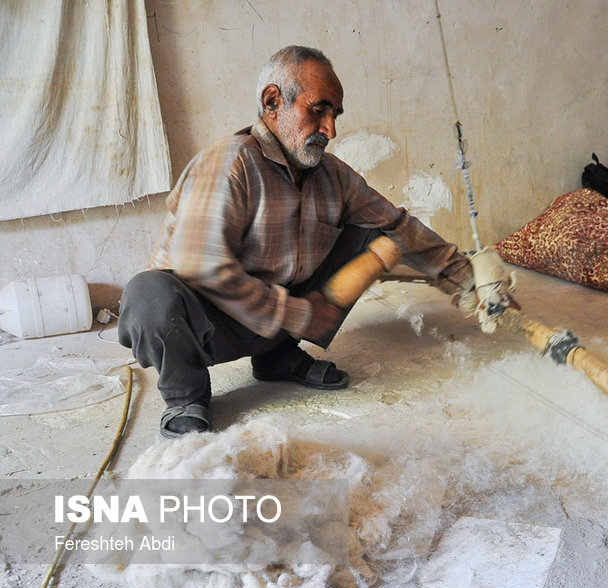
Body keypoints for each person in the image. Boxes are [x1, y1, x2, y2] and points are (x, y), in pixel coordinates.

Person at [118, 45, 478, 438]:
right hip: (207, 324)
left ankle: (276, 359)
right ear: (272, 102)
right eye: (318, 110)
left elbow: (397, 225)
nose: (331, 130)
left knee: (375, 236)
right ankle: (185, 395)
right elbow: (201, 267)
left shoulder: (333, 176)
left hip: (277, 315)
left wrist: (469, 276)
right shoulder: (230, 162)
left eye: (335, 116)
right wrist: (301, 316)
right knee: (147, 293)